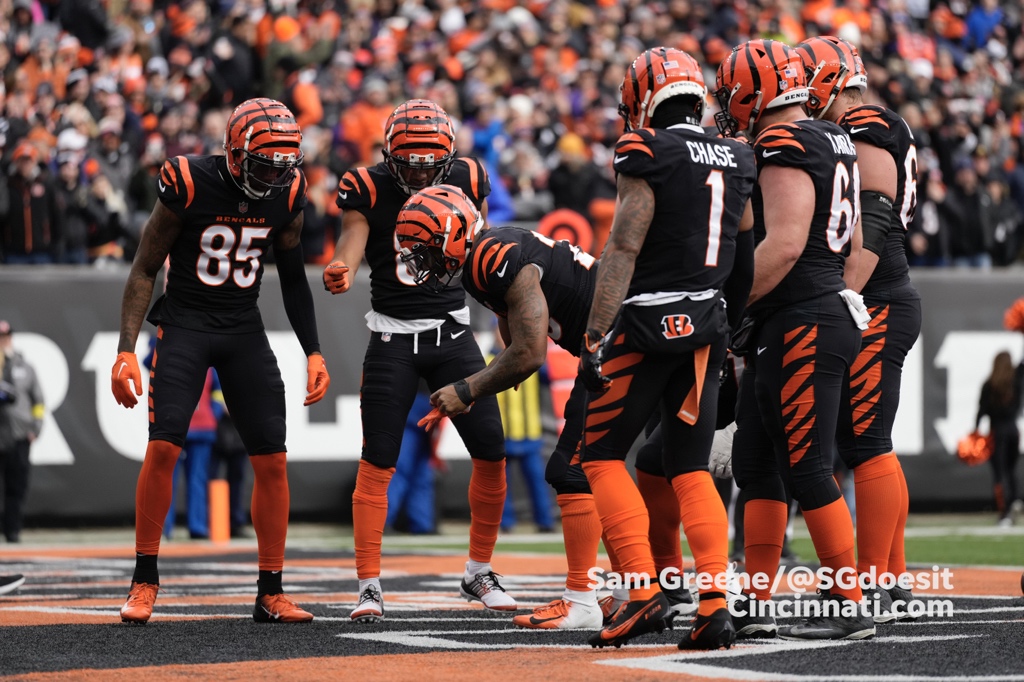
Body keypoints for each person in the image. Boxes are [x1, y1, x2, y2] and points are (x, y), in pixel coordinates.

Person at [399, 188, 701, 630]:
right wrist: (505, 363)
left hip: (618, 345)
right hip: (621, 341)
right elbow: (512, 320)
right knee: (609, 467)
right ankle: (642, 589)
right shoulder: (484, 258)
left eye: (425, 250)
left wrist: (468, 389)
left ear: (452, 235)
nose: (420, 262)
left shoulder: (493, 257)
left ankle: (583, 597)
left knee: (573, 469)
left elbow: (531, 352)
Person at [111, 98, 330, 625]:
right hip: (185, 325)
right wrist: (125, 349)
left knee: (271, 459)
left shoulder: (289, 193)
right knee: (163, 449)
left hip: (242, 327)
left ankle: (270, 591)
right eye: (262, 165)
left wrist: (314, 349)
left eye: (282, 167)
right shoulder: (188, 180)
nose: (272, 177)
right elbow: (144, 269)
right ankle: (144, 579)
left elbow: (295, 276)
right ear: (233, 154)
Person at [576, 47, 756, 650]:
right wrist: (731, 328)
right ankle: (713, 604)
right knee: (689, 466)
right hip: (707, 325)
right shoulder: (739, 155)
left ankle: (642, 592)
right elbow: (744, 254)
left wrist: (596, 333)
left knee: (599, 454)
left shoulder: (643, 150)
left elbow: (624, 247)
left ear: (641, 97)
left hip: (647, 323)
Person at [323, 99, 515, 623]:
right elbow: (354, 235)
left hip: (452, 331)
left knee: (492, 449)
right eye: (408, 162)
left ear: (449, 156)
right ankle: (368, 585)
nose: (421, 172)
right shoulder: (366, 185)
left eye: (431, 163)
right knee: (378, 459)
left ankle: (479, 571)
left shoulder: (470, 176)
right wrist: (343, 264)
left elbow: (481, 244)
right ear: (388, 155)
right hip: (391, 336)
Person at [715, 39, 873, 641]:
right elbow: (854, 246)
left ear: (753, 92)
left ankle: (849, 603)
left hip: (801, 315)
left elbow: (782, 244)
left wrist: (729, 305)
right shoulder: (834, 138)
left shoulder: (783, 143)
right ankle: (756, 603)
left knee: (805, 464)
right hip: (805, 311)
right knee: (757, 465)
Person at [795, 35, 924, 619]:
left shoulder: (868, 123)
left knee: (866, 442)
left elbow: (872, 219)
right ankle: (889, 577)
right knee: (866, 443)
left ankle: (875, 579)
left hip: (877, 296)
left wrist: (843, 290)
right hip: (880, 297)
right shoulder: (867, 123)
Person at [0, 320, 44, 544]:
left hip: (18, 436)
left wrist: (35, 427)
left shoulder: (24, 367)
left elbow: (38, 400)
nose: (3, 341)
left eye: (5, 337)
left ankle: (13, 531)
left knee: (17, 485)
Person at [977, 351, 1022, 527]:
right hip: (1013, 431)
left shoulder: (989, 385)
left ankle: (1004, 512)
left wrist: (975, 433)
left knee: (999, 473)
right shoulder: (1015, 384)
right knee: (1011, 470)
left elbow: (981, 411)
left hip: (997, 432)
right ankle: (1016, 499)